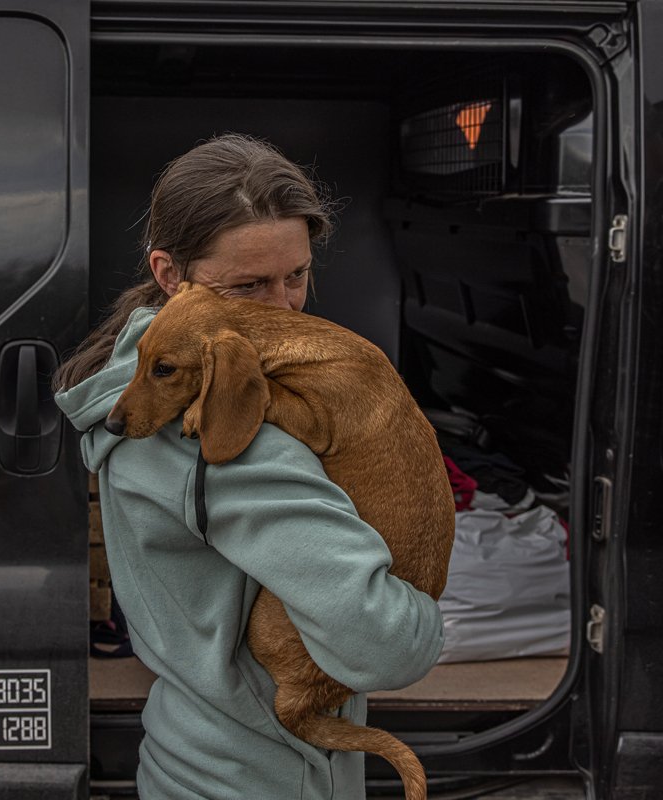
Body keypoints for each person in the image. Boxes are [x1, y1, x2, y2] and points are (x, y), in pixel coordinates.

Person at [54, 133, 444, 800]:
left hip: (190, 754)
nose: (283, 308)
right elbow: (386, 645)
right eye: (247, 287)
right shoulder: (229, 435)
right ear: (170, 275)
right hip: (263, 778)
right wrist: (434, 612)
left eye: (296, 275)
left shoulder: (137, 378)